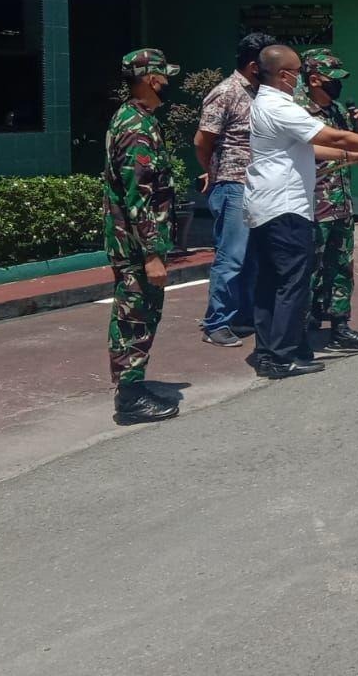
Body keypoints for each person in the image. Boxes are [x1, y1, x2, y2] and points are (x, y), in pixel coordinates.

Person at [245, 45, 358, 379]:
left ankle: (268, 352)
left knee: (271, 283)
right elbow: (332, 135)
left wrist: (348, 157)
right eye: (295, 72)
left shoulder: (265, 103)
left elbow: (312, 146)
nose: (297, 78)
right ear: (285, 75)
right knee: (293, 284)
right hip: (286, 207)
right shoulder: (282, 106)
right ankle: (283, 355)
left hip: (269, 205)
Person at [104, 48, 180, 425]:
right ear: (151, 79)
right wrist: (152, 252)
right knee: (135, 315)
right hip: (135, 244)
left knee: (140, 313)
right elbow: (139, 196)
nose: (168, 81)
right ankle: (130, 397)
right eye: (163, 75)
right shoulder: (136, 127)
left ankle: (132, 386)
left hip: (131, 240)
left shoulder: (136, 118)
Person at [194, 31, 276, 347]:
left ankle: (242, 317)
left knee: (253, 258)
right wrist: (211, 171)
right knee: (231, 257)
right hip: (233, 186)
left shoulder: (261, 94)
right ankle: (217, 323)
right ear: (255, 65)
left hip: (259, 188)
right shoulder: (225, 93)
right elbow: (203, 140)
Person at [296, 49, 358, 353]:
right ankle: (300, 333)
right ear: (314, 79)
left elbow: (353, 143)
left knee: (341, 266)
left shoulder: (337, 110)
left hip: (341, 203)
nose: (338, 85)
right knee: (308, 271)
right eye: (333, 79)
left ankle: (340, 326)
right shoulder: (297, 111)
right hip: (312, 204)